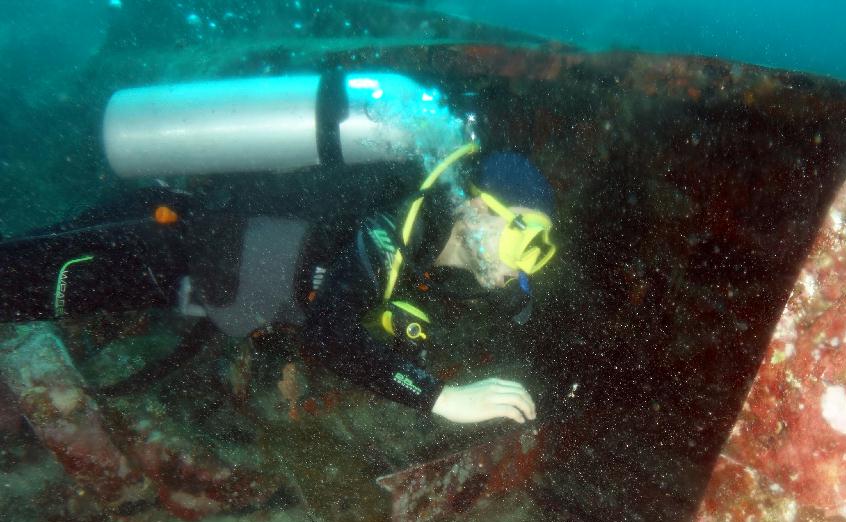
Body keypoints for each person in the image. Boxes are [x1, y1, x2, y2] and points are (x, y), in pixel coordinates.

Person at [0, 71, 557, 425]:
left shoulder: (424, 250)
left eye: (538, 252)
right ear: (477, 207)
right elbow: (328, 332)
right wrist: (443, 398)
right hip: (158, 242)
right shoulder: (402, 222)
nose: (524, 262)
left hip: (171, 260)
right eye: (524, 236)